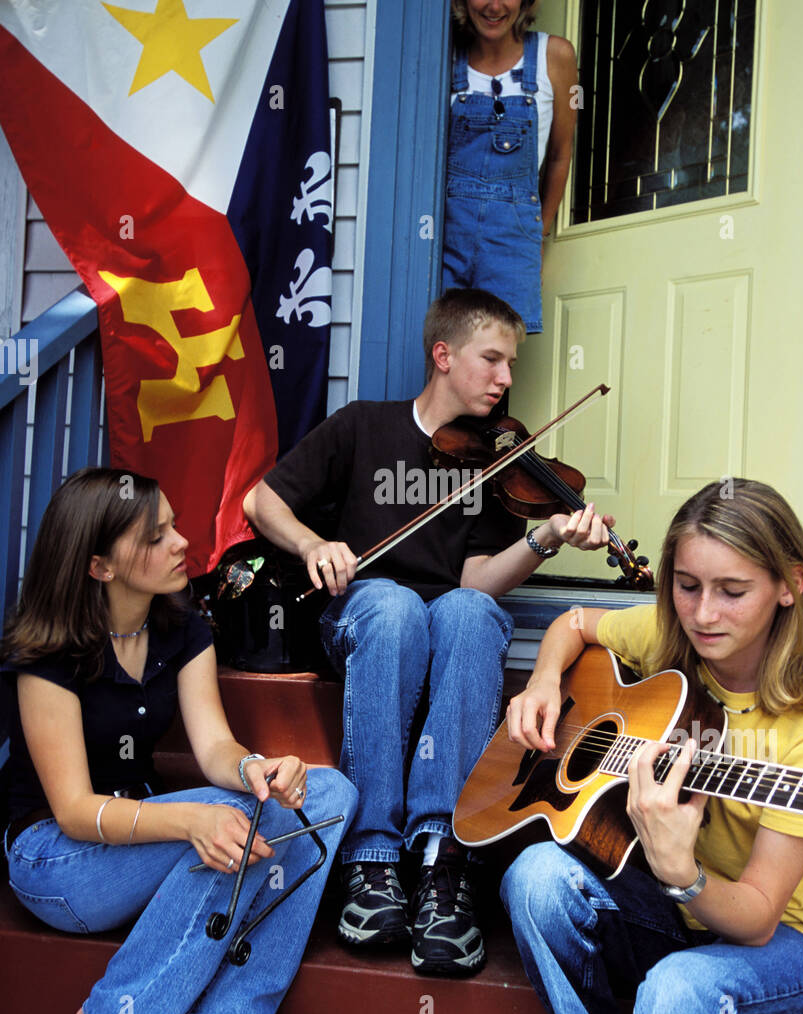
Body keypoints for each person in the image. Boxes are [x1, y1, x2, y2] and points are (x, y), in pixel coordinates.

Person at [243, 287, 613, 978]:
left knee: (467, 613)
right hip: (367, 618)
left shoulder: (493, 461)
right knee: (393, 605)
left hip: (445, 624)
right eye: (492, 360)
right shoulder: (362, 427)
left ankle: (444, 858)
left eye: (511, 365)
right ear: (443, 356)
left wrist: (547, 537)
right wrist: (314, 545)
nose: (506, 380)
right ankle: (373, 857)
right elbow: (260, 501)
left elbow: (474, 581)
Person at [1, 468, 356, 1014]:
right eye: (156, 534)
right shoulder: (48, 653)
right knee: (233, 828)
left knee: (331, 793)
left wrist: (256, 769)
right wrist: (193, 818)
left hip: (143, 841)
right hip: (60, 859)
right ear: (100, 565)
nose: (181, 542)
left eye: (173, 524)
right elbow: (75, 810)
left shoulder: (183, 626)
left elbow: (215, 746)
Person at [501, 478, 803, 1014]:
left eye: (732, 591)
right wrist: (543, 683)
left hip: (794, 945)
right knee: (534, 879)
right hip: (684, 915)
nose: (702, 613)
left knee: (680, 988)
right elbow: (573, 624)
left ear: (790, 585)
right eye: (687, 585)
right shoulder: (673, 635)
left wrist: (679, 871)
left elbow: (753, 920)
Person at [442, 0, 578, 334]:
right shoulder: (445, 57)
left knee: (494, 356)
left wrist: (540, 235)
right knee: (442, 351)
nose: (495, 5)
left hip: (514, 236)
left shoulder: (556, 57)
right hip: (448, 233)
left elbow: (559, 154)